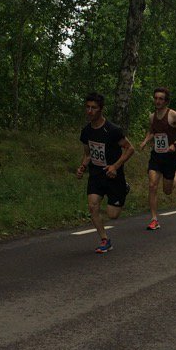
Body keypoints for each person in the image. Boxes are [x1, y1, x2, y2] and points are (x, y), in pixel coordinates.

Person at [77, 93, 135, 253]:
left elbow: (130, 148)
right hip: (96, 174)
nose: (89, 111)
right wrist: (82, 167)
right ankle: (105, 239)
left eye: (93, 108)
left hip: (114, 175)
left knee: (113, 215)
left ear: (101, 110)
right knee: (92, 206)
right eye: (87, 107)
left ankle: (123, 188)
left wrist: (115, 166)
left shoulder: (113, 130)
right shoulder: (86, 131)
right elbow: (88, 154)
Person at [139, 86, 176, 231]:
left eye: (161, 98)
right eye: (155, 98)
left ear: (166, 101)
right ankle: (154, 219)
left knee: (167, 190)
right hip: (156, 155)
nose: (157, 101)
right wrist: (145, 141)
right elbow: (152, 131)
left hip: (170, 157)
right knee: (152, 185)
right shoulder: (152, 116)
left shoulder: (174, 115)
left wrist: (174, 144)